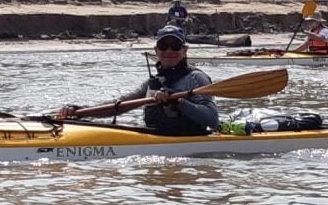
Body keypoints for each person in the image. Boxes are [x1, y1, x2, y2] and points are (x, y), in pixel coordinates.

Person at [58, 25, 219, 136]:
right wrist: (79, 111)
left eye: (175, 46)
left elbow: (212, 119)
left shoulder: (197, 78)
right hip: (156, 138)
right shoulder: (153, 83)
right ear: (156, 51)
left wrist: (177, 101)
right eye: (164, 46)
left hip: (189, 141)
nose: (169, 51)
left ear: (184, 51)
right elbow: (118, 106)